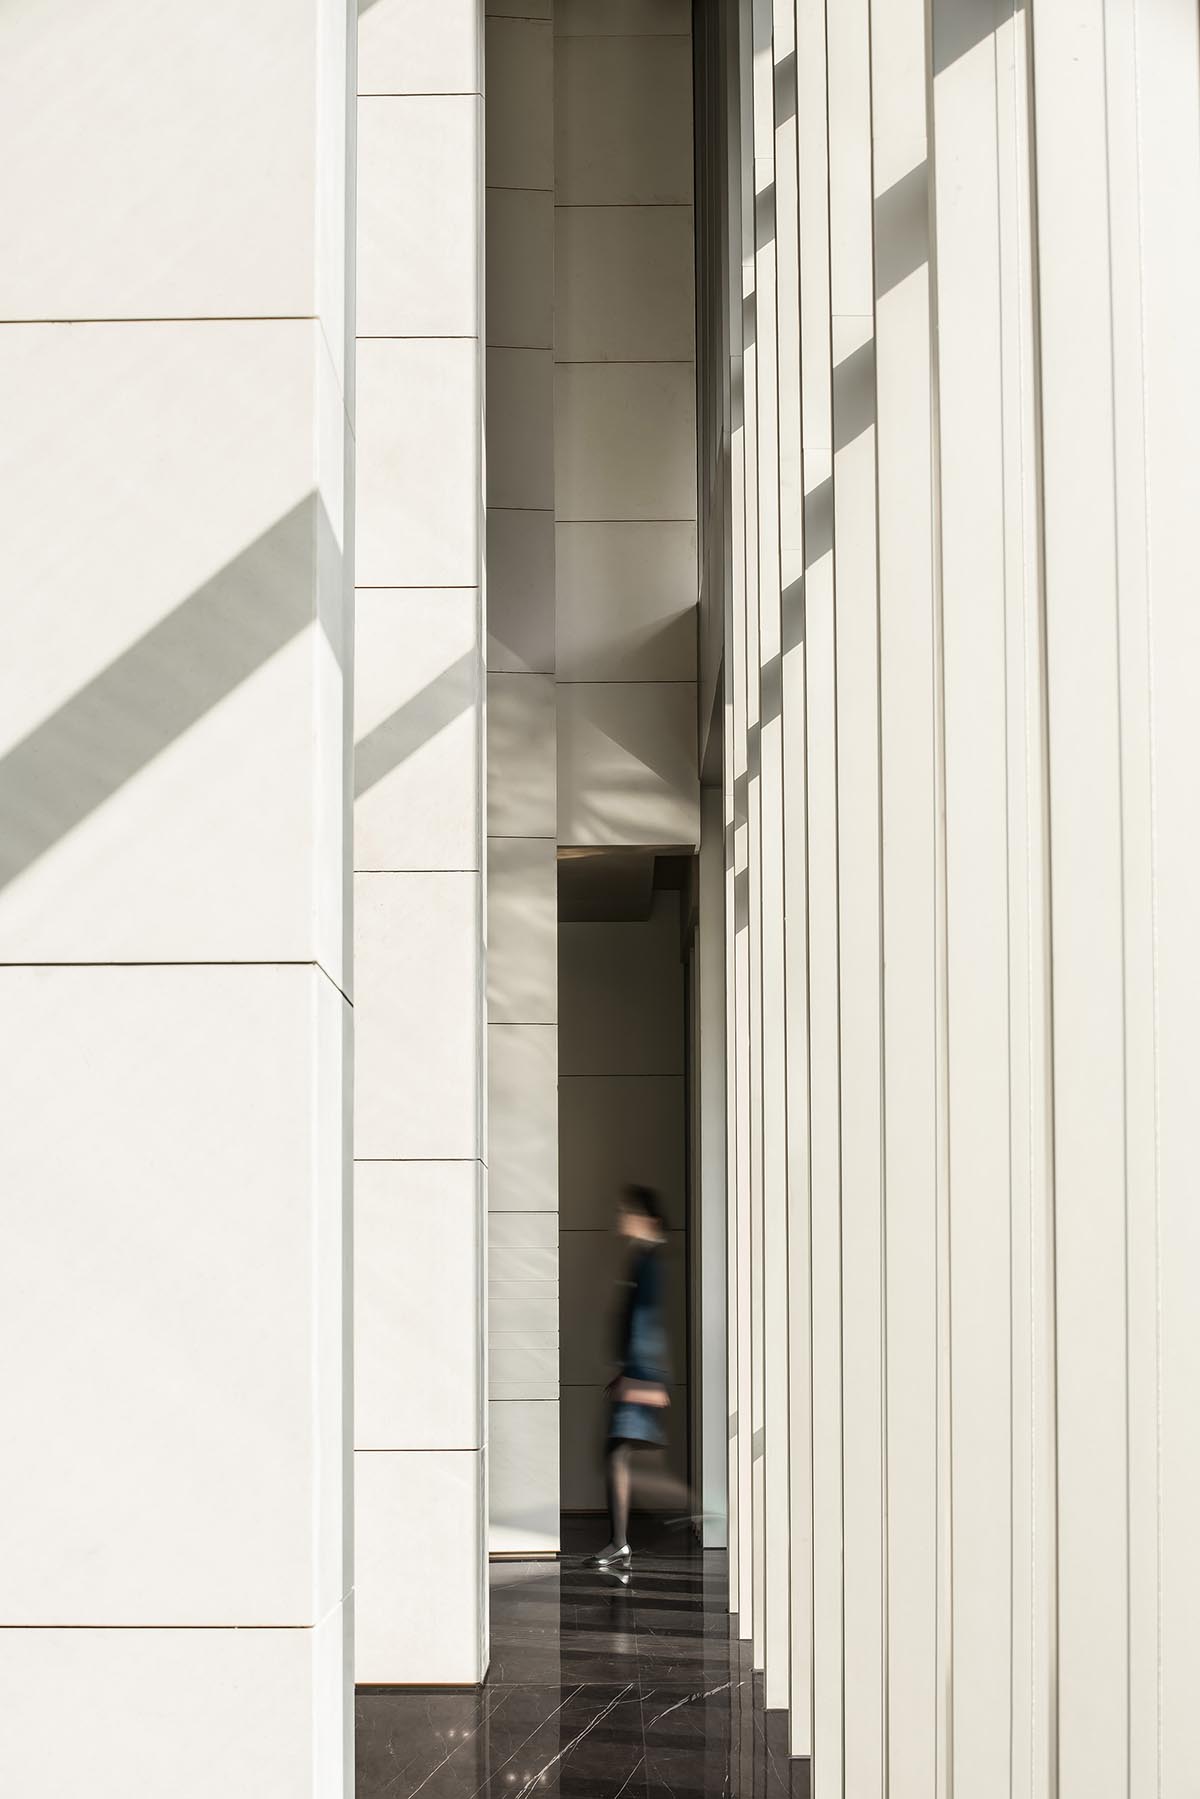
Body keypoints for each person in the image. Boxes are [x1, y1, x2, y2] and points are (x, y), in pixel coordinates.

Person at [587, 1184, 671, 1572]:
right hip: (638, 1373)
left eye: (627, 1212)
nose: (621, 1219)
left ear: (645, 1218)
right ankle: (620, 1541)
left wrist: (641, 1379)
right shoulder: (642, 1257)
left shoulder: (648, 1261)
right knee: (620, 1454)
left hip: (641, 1374)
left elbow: (646, 1323)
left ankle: (621, 1543)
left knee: (619, 1454)